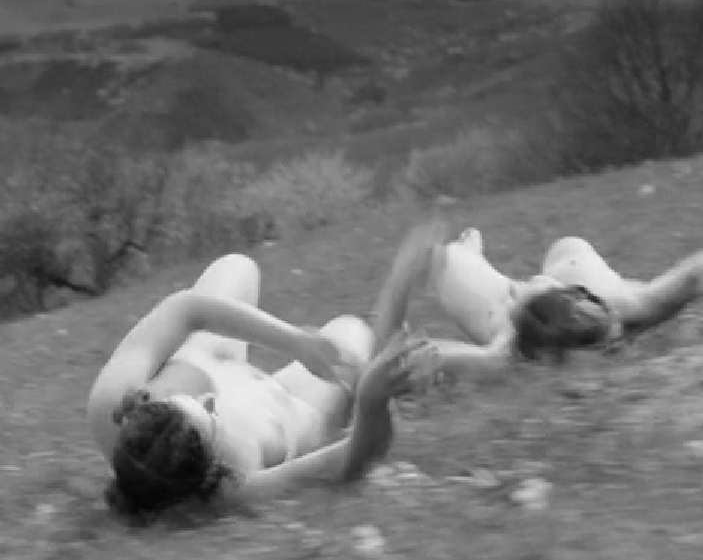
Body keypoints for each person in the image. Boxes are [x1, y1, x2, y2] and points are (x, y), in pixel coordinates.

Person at [85, 222, 444, 518]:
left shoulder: (110, 405)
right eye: (211, 419)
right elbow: (353, 457)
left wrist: (295, 342)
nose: (211, 400)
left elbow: (186, 309)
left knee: (236, 267)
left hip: (219, 362)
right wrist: (371, 400)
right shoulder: (236, 487)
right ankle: (413, 352)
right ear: (211, 473)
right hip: (289, 405)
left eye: (179, 401)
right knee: (350, 334)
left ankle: (410, 354)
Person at [405, 223, 703, 379]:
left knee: (585, 263)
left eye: (611, 340)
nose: (617, 345)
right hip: (534, 299)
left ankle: (474, 260)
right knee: (444, 261)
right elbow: (446, 358)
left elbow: (694, 274)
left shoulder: (621, 308)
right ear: (552, 356)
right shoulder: (512, 345)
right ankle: (470, 255)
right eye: (607, 346)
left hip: (575, 272)